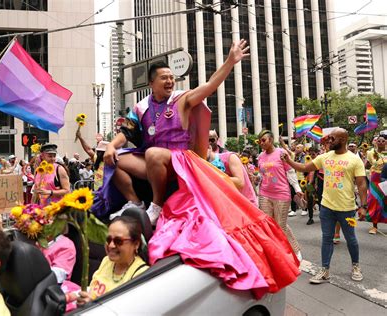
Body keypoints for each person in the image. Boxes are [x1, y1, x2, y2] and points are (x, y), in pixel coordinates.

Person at [98, 41, 299, 298]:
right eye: (164, 78)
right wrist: (111, 147)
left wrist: (229, 62)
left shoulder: (182, 99)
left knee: (152, 153)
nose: (170, 81)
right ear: (152, 83)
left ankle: (156, 206)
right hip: (154, 162)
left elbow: (210, 86)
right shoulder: (141, 107)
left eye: (172, 77)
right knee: (116, 160)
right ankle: (135, 203)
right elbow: (124, 132)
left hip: (181, 160)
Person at [282, 128, 367, 284]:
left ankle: (356, 266)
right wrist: (288, 161)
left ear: (342, 140)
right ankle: (325, 270)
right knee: (327, 239)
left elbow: (361, 184)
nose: (329, 141)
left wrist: (363, 206)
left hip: (347, 208)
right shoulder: (325, 157)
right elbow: (304, 168)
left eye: (332, 138)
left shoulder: (354, 160)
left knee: (351, 239)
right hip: (327, 207)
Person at [77, 216, 148, 305]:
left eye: (118, 241)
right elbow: (92, 291)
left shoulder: (141, 274)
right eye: (108, 239)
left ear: (136, 244)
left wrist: (94, 305)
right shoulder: (107, 261)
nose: (111, 245)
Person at [257, 130, 303, 260]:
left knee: (280, 225)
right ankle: (276, 254)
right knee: (268, 225)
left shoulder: (281, 154)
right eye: (259, 141)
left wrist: (297, 188)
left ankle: (295, 250)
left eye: (264, 140)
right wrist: (257, 179)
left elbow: (290, 172)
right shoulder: (260, 156)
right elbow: (262, 174)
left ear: (271, 140)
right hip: (264, 193)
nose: (261, 143)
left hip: (281, 194)